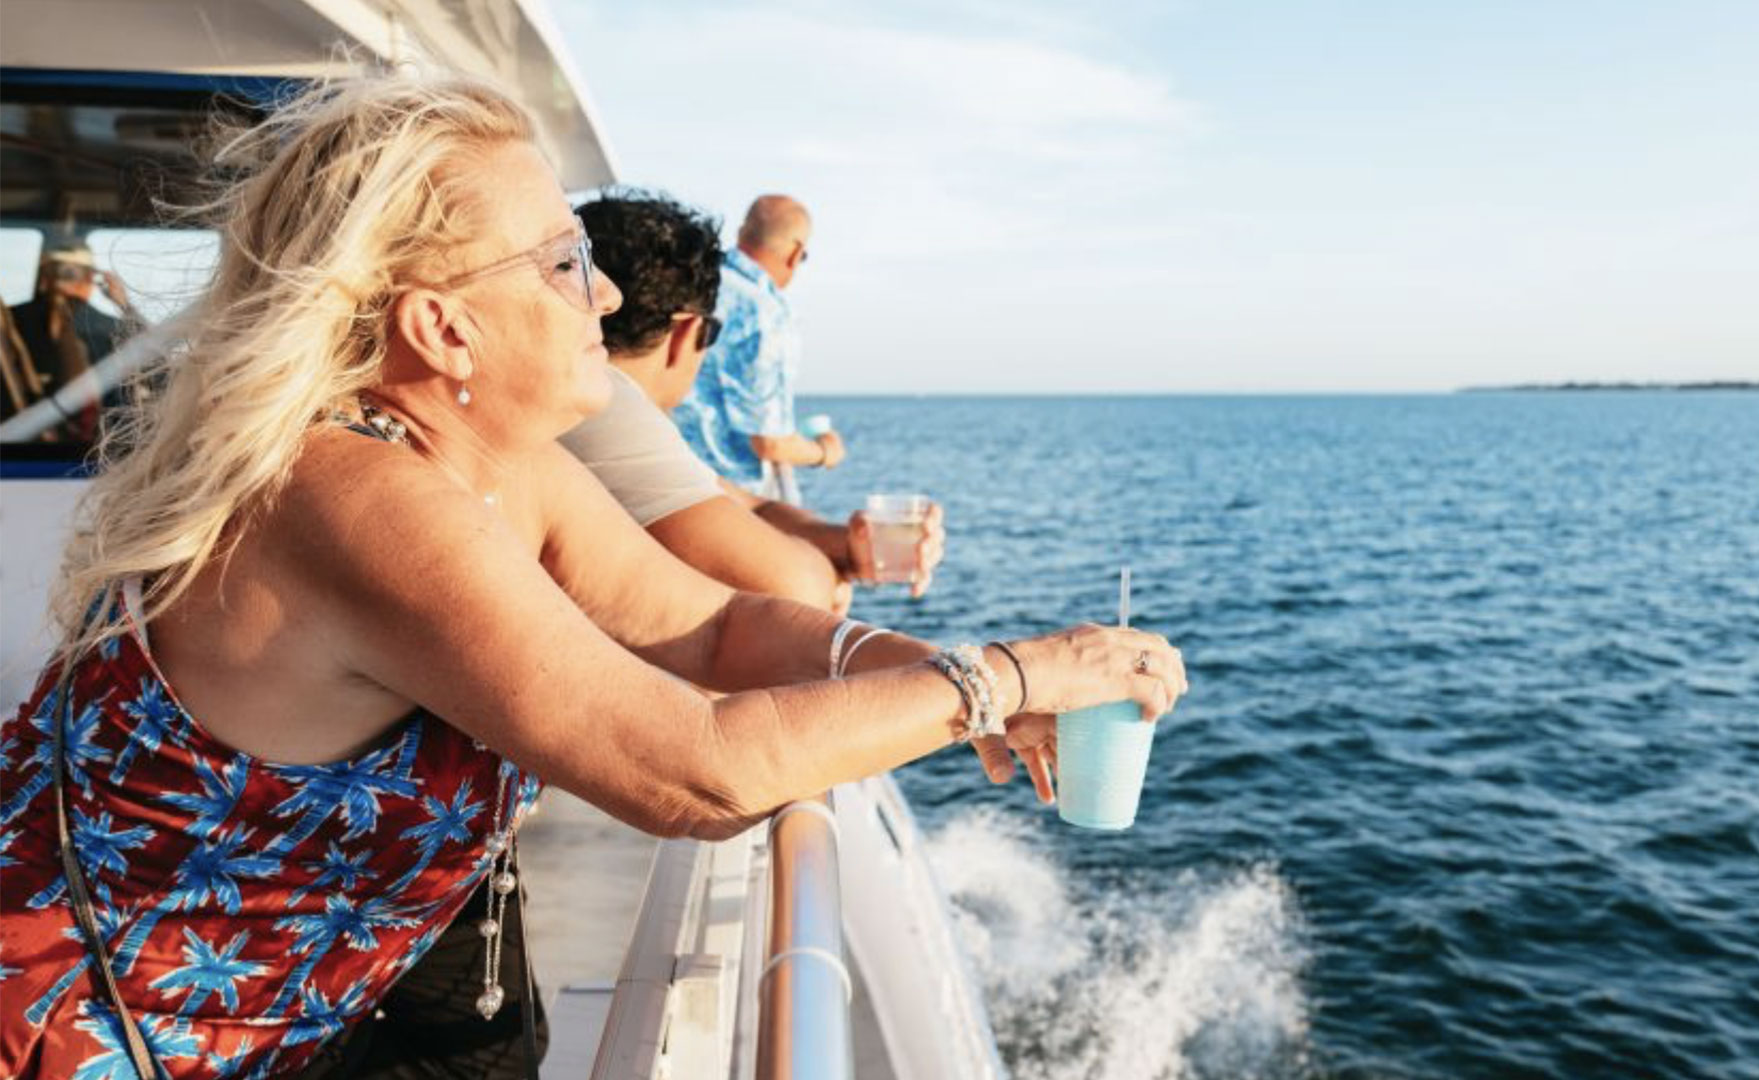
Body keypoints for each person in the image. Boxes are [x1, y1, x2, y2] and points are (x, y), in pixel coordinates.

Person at [0, 74, 1186, 1080]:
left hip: (269, 1023)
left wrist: (951, 677)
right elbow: (694, 773)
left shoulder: (495, 464)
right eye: (565, 262)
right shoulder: (351, 498)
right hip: (76, 1029)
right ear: (443, 330)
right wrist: (998, 681)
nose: (607, 295)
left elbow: (717, 632)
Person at [565, 189, 944, 615]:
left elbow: (751, 505)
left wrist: (847, 543)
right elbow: (796, 587)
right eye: (712, 335)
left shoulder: (579, 395)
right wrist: (834, 573)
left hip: (707, 513)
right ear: (689, 334)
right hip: (712, 538)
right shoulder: (608, 408)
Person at [673, 194, 840, 502]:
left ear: (740, 235)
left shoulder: (691, 281)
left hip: (665, 482)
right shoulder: (763, 313)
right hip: (728, 503)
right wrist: (824, 451)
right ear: (795, 253)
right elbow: (769, 443)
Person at [5, 239, 144, 436]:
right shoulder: (112, 327)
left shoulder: (10, 322)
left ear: (44, 277)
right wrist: (124, 305)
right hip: (89, 451)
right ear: (92, 279)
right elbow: (156, 360)